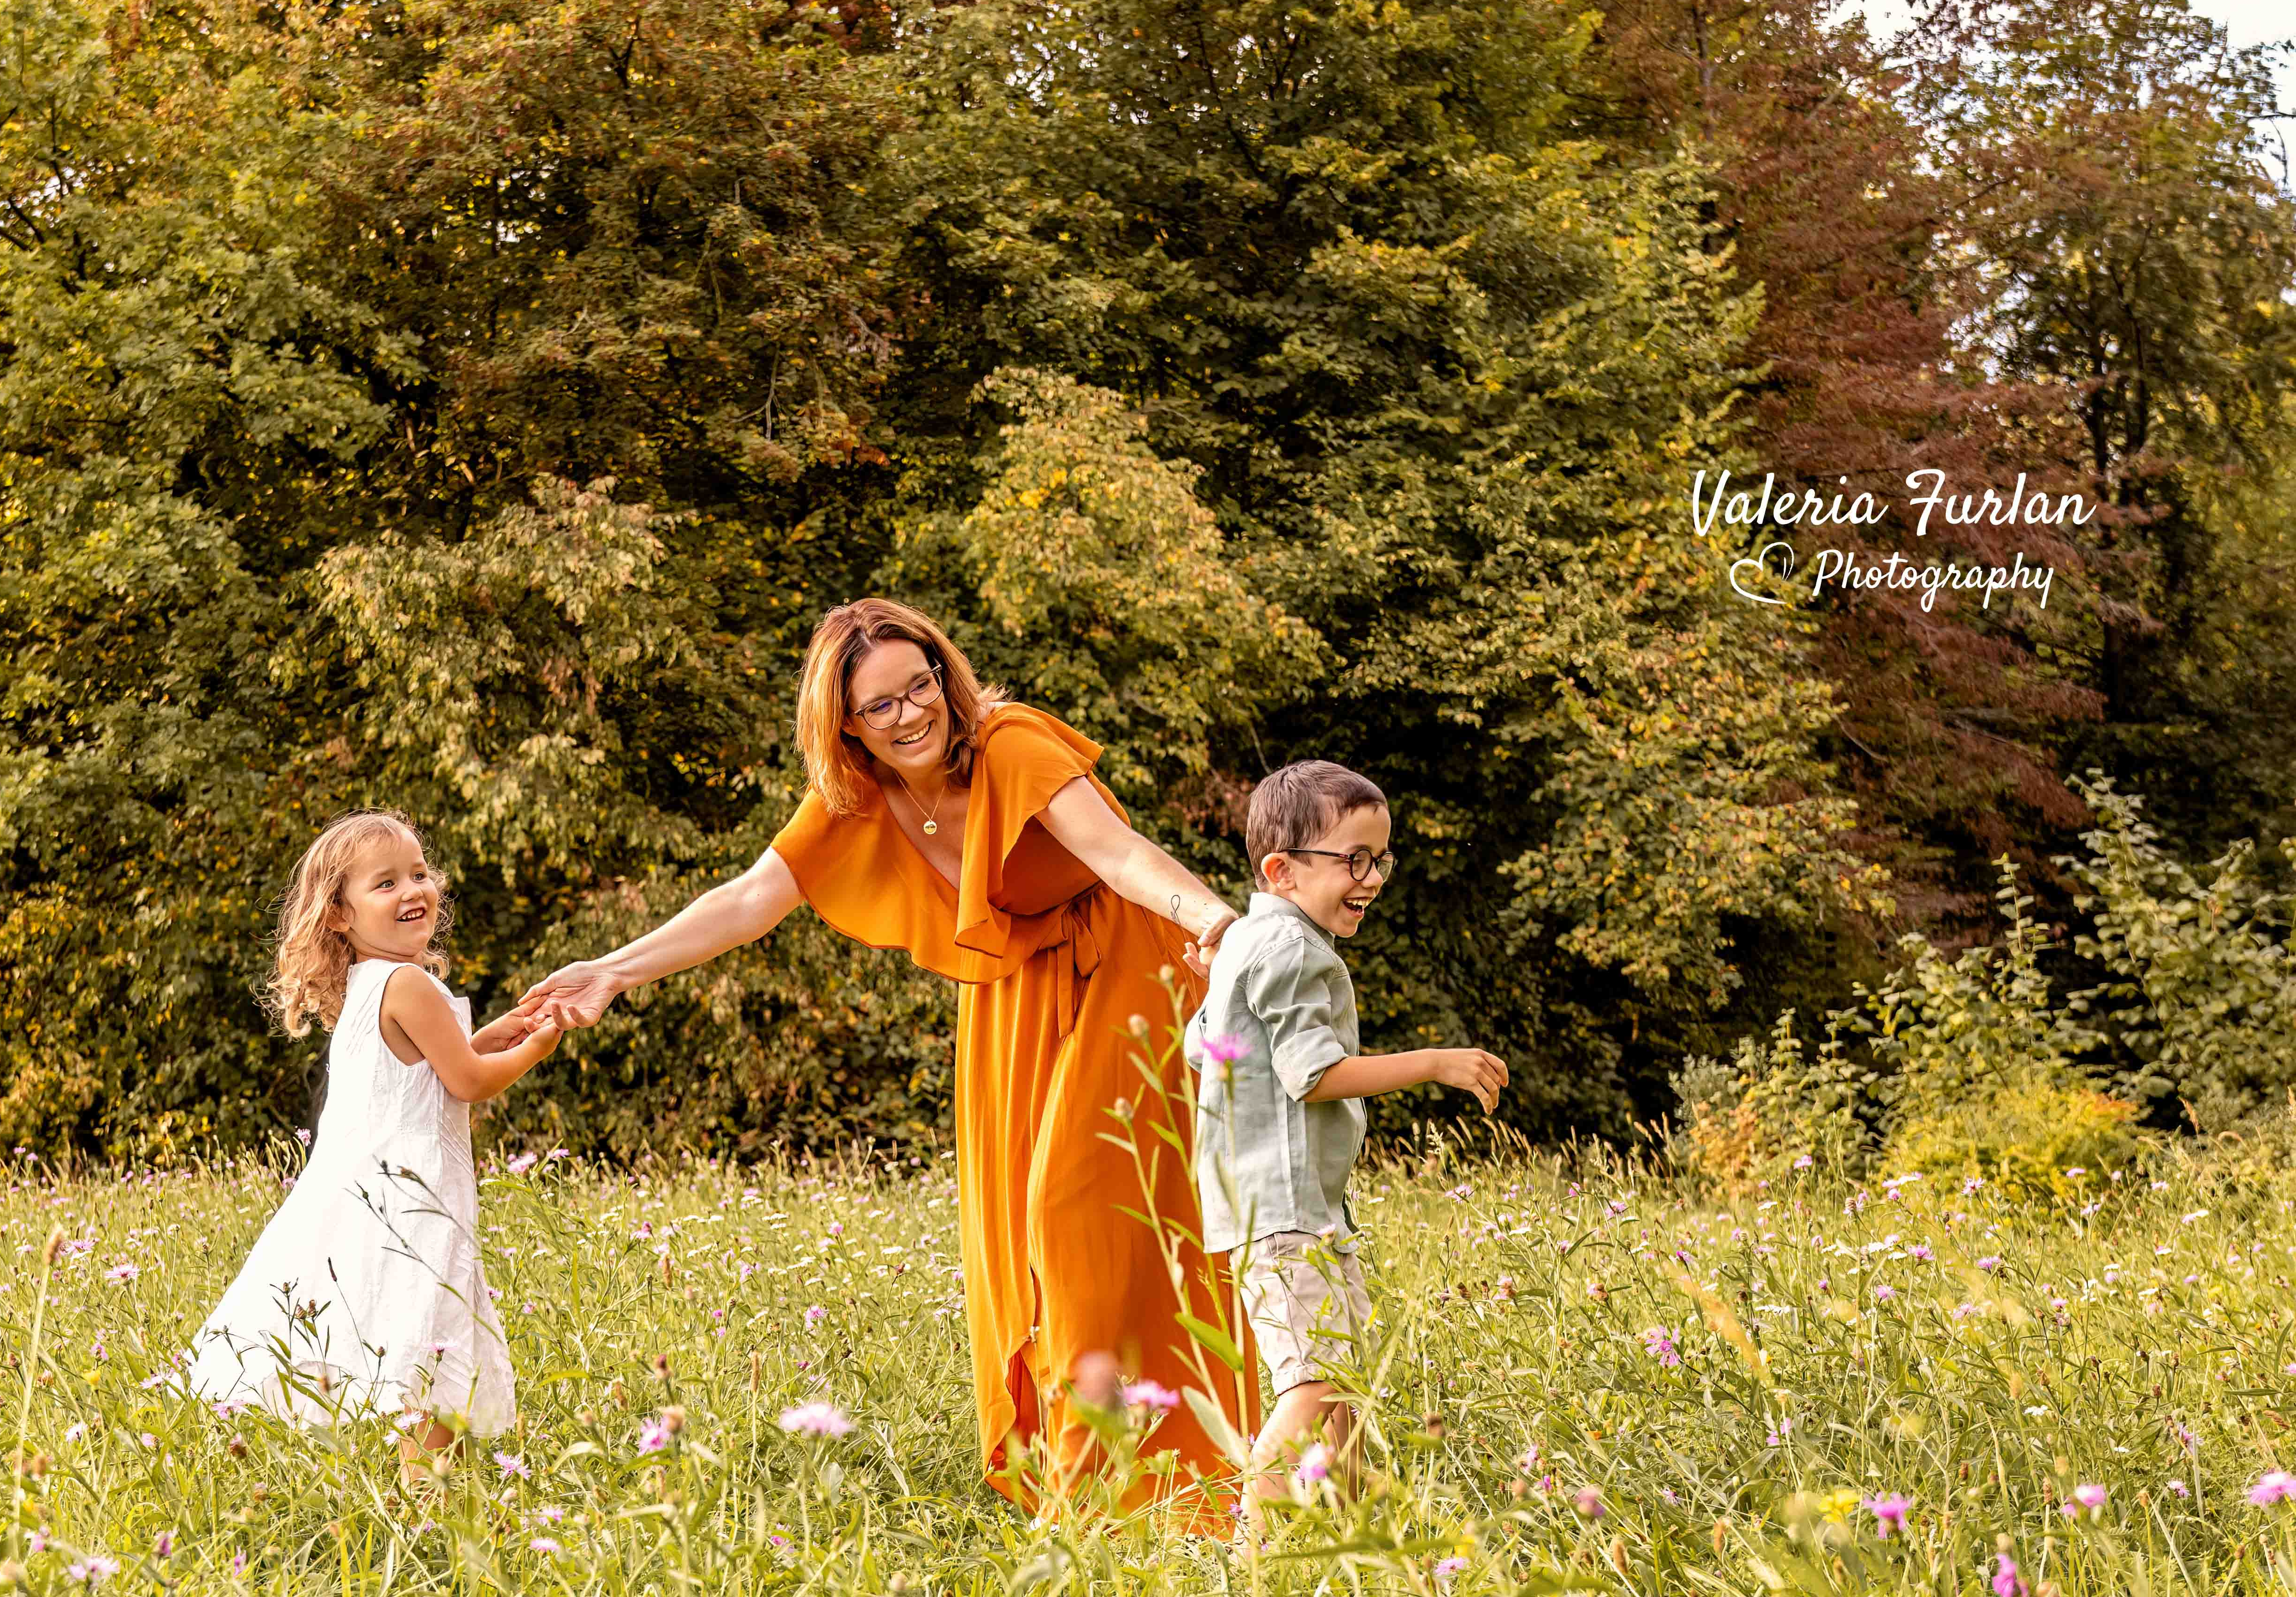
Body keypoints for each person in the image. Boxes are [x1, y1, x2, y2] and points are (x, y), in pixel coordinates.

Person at [519, 598, 1260, 1525]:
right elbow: (751, 897)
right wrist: (613, 971)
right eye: (882, 704)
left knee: (1071, 1212)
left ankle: (1119, 1485)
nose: (912, 713)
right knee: (1025, 1246)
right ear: (844, 724)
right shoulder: (856, 797)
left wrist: (1218, 926)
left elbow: (1118, 854)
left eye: (922, 686)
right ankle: (1105, 1484)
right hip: (1011, 999)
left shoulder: (1010, 744)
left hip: (1122, 971)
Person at [187, 811, 566, 1477]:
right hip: (414, 1200)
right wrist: (538, 1046)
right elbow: (468, 1082)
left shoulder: (371, 985)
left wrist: (496, 1029)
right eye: (385, 882)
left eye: (419, 873)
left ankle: (429, 1498)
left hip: (374, 1193)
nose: (412, 889)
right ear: (338, 913)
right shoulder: (410, 984)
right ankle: (431, 1505)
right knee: (426, 1347)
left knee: (410, 1342)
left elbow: (426, 1078)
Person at [1186, 762, 1507, 1517]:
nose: (1371, 878)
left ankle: (1364, 1534)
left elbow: (1204, 1049)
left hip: (1283, 1205)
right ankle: (1246, 1563)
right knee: (1313, 1385)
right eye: (1352, 860)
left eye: (1380, 859)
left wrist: (1216, 981)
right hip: (1287, 1208)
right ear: (1281, 869)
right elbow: (1313, 1074)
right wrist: (1437, 1063)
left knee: (1344, 1387)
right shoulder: (1293, 950)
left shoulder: (1243, 941)